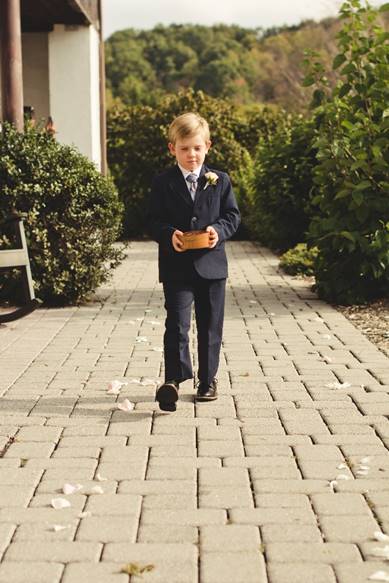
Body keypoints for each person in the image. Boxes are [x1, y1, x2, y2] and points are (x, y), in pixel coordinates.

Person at [146, 112, 240, 412]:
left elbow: (232, 216)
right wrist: (168, 234)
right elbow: (151, 220)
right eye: (185, 148)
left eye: (197, 148)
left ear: (208, 146)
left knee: (211, 325)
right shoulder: (162, 182)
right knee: (176, 324)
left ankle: (208, 380)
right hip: (176, 267)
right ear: (172, 148)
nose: (192, 155)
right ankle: (174, 380)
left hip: (212, 267)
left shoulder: (220, 180)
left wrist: (218, 231)